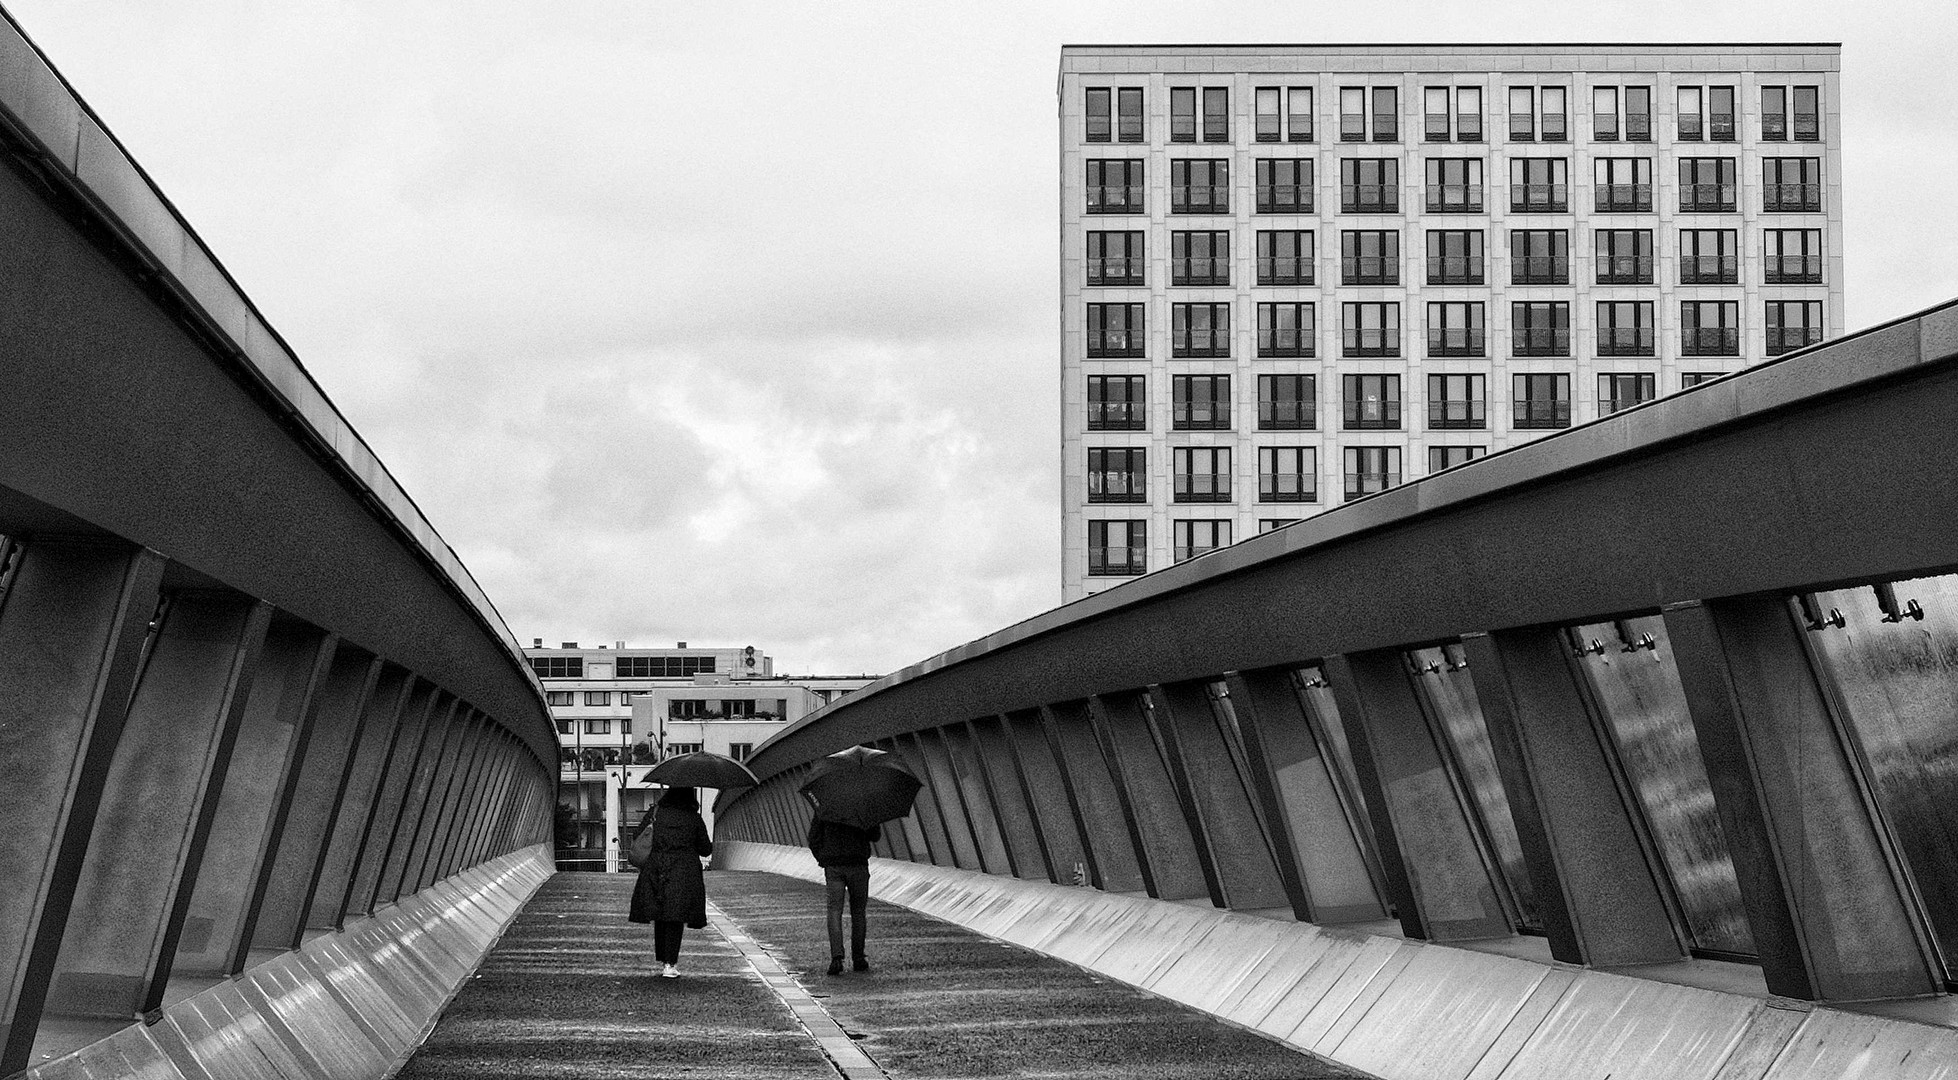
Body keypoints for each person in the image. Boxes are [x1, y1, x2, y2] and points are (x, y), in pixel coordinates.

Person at [627, 786, 713, 977]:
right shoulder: (693, 818)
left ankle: (664, 960)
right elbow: (705, 849)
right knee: (675, 915)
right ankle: (670, 963)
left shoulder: (656, 813)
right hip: (683, 870)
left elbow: (638, 834)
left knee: (661, 913)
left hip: (656, 867)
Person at [806, 817, 880, 975]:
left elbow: (813, 838)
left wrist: (823, 858)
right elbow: (875, 835)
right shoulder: (862, 806)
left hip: (834, 866)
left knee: (834, 910)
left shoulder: (826, 807)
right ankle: (858, 958)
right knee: (858, 912)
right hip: (858, 864)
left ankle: (836, 958)